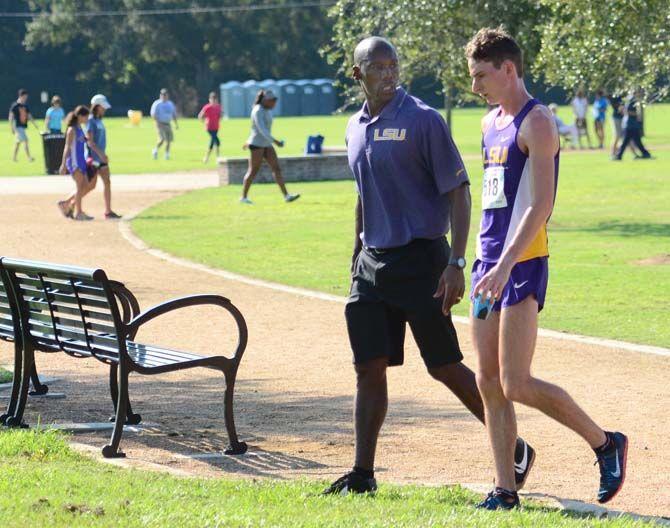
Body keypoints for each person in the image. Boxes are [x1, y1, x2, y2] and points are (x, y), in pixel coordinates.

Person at [322, 36, 535, 497]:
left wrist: (456, 261)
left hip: (423, 260)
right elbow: (364, 191)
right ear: (357, 74)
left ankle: (513, 447)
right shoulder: (353, 128)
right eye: (376, 67)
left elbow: (458, 191)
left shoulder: (423, 120)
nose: (388, 73)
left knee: (443, 365)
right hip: (371, 264)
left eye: (393, 65)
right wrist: (356, 250)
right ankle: (362, 474)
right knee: (368, 367)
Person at [465, 27, 627, 510]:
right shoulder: (489, 122)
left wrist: (503, 264)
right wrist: (478, 260)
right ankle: (504, 489)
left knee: (516, 380)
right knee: (488, 381)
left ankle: (605, 443)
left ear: (508, 69)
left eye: (481, 75)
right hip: (486, 263)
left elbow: (540, 205)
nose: (475, 86)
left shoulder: (538, 123)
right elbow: (494, 200)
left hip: (522, 262)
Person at [240, 89, 300, 204]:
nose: (274, 103)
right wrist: (275, 141)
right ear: (265, 101)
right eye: (272, 101)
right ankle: (243, 197)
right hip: (257, 144)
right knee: (253, 170)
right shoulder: (257, 111)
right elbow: (261, 129)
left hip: (266, 144)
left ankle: (286, 196)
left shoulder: (267, 110)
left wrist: (271, 142)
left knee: (276, 168)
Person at [57, 105, 102, 221]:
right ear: (80, 116)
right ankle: (79, 212)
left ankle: (67, 203)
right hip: (74, 162)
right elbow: (67, 147)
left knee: (86, 186)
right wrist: (63, 164)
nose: (87, 119)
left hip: (81, 161)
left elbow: (84, 142)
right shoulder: (72, 129)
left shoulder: (79, 128)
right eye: (86, 116)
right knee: (79, 187)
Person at [86, 94, 121, 219]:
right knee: (89, 186)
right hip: (94, 159)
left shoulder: (99, 120)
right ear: (96, 106)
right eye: (102, 107)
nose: (104, 109)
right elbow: (90, 141)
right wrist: (101, 154)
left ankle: (108, 211)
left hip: (101, 158)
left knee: (107, 182)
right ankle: (70, 202)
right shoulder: (90, 120)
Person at [612, 92, 651, 161]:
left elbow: (632, 113)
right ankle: (645, 154)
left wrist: (626, 111)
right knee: (632, 142)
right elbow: (627, 112)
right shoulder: (631, 101)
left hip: (630, 125)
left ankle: (619, 156)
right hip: (630, 125)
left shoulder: (631, 101)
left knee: (628, 142)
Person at [9, 89, 37, 162]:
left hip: (23, 126)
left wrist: (34, 124)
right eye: (24, 97)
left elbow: (29, 116)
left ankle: (14, 158)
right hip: (18, 127)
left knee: (18, 143)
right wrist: (11, 127)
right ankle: (29, 157)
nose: (25, 99)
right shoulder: (15, 105)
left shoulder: (25, 106)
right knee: (26, 140)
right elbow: (11, 116)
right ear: (20, 96)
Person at [150, 88, 178, 160]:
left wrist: (176, 124)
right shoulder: (157, 104)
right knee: (162, 139)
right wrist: (157, 122)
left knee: (169, 140)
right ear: (160, 95)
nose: (164, 96)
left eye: (165, 95)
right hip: (160, 124)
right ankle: (155, 150)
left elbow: (173, 114)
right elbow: (153, 114)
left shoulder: (170, 104)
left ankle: (166, 154)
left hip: (168, 124)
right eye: (162, 94)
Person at [198, 91, 222, 163]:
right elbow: (200, 116)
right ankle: (217, 158)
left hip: (216, 127)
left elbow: (219, 115)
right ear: (210, 99)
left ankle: (207, 158)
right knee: (217, 141)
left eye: (215, 99)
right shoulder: (207, 107)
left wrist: (219, 118)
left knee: (213, 142)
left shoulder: (218, 107)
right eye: (212, 99)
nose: (214, 101)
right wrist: (204, 121)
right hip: (209, 128)